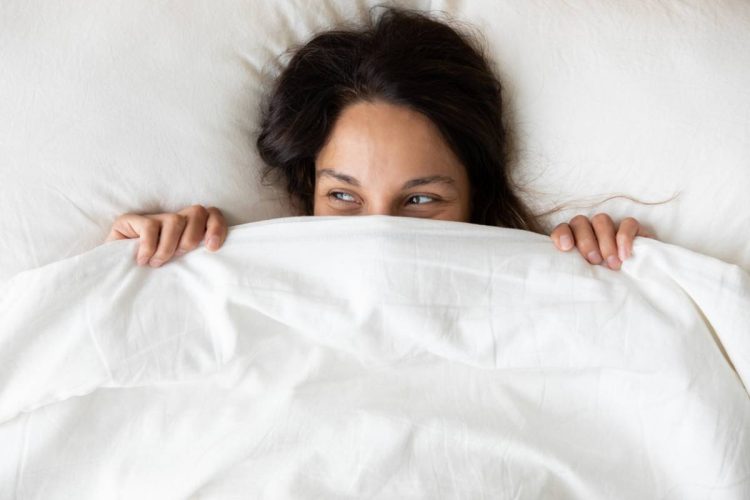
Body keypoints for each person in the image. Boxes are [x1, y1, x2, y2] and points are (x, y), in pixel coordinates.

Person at [106, 7, 651, 271]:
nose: (379, 232)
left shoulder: (542, 287)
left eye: (421, 200)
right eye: (343, 195)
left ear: (476, 196)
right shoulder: (240, 281)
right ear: (309, 191)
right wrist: (139, 268)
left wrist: (605, 271)